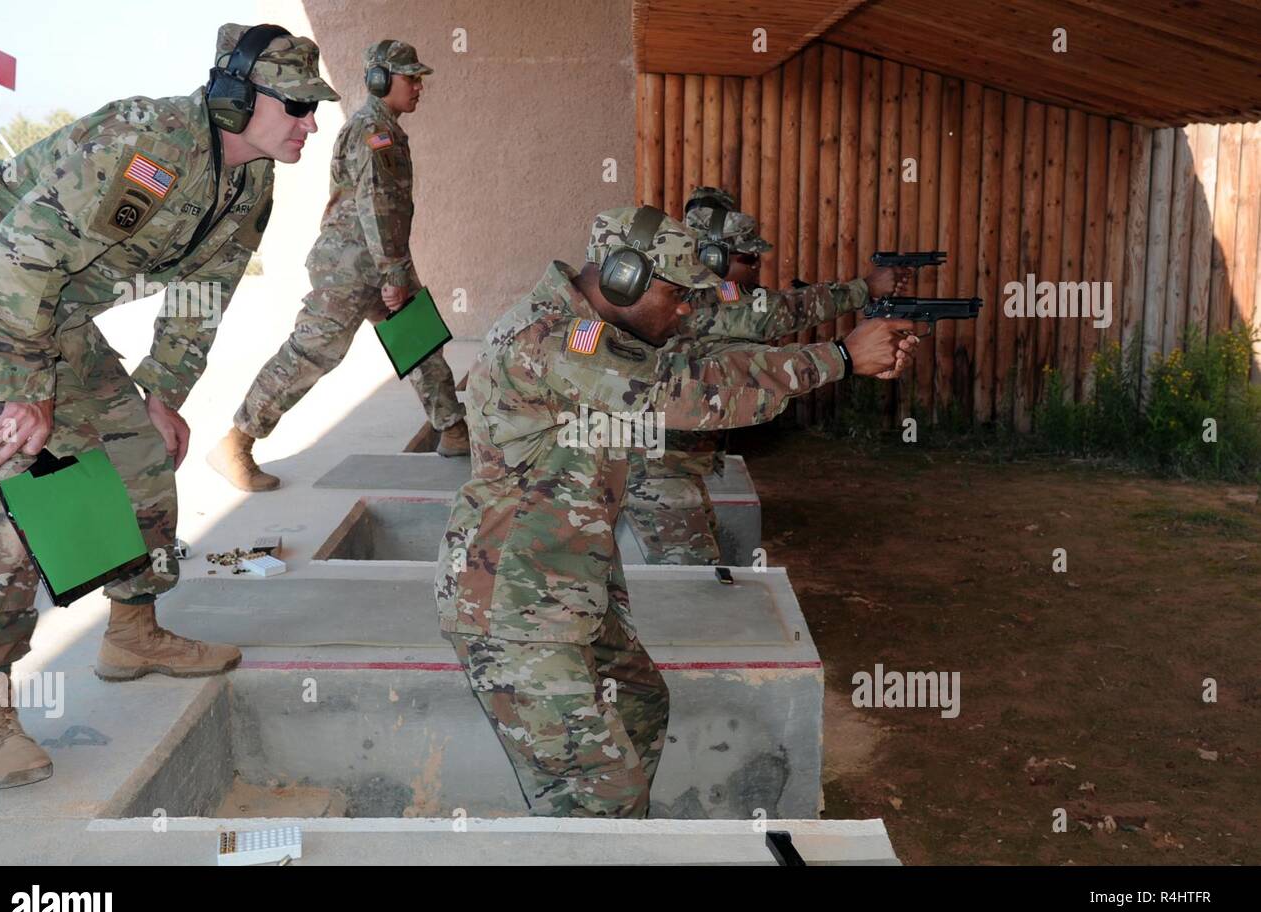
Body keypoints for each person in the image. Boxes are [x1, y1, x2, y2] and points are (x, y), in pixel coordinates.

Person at [434, 205, 918, 816]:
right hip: (513, 604)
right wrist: (840, 359)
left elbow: (707, 355)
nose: (689, 309)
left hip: (569, 582)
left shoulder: (592, 330)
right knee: (598, 790)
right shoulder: (556, 341)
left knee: (639, 704)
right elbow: (687, 389)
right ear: (623, 279)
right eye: (678, 295)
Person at [0, 23, 338, 788]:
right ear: (237, 98)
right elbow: (15, 254)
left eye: (313, 107)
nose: (311, 123)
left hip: (51, 311)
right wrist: (23, 393)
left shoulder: (251, 181)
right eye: (297, 105)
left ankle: (133, 631)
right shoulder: (148, 148)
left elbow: (204, 297)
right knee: (9, 499)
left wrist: (162, 392)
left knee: (140, 459)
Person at [208, 38, 467, 492]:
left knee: (420, 342)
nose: (418, 86)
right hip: (349, 267)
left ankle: (453, 429)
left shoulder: (383, 128)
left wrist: (394, 270)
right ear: (380, 79)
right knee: (311, 353)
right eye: (411, 77)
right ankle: (236, 444)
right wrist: (392, 275)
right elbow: (376, 206)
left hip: (379, 261)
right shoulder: (373, 132)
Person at [621, 186, 911, 564]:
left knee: (699, 566)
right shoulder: (707, 298)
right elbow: (774, 325)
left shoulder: (703, 294)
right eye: (748, 257)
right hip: (655, 467)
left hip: (670, 461)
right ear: (713, 256)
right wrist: (848, 343)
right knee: (690, 582)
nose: (757, 266)